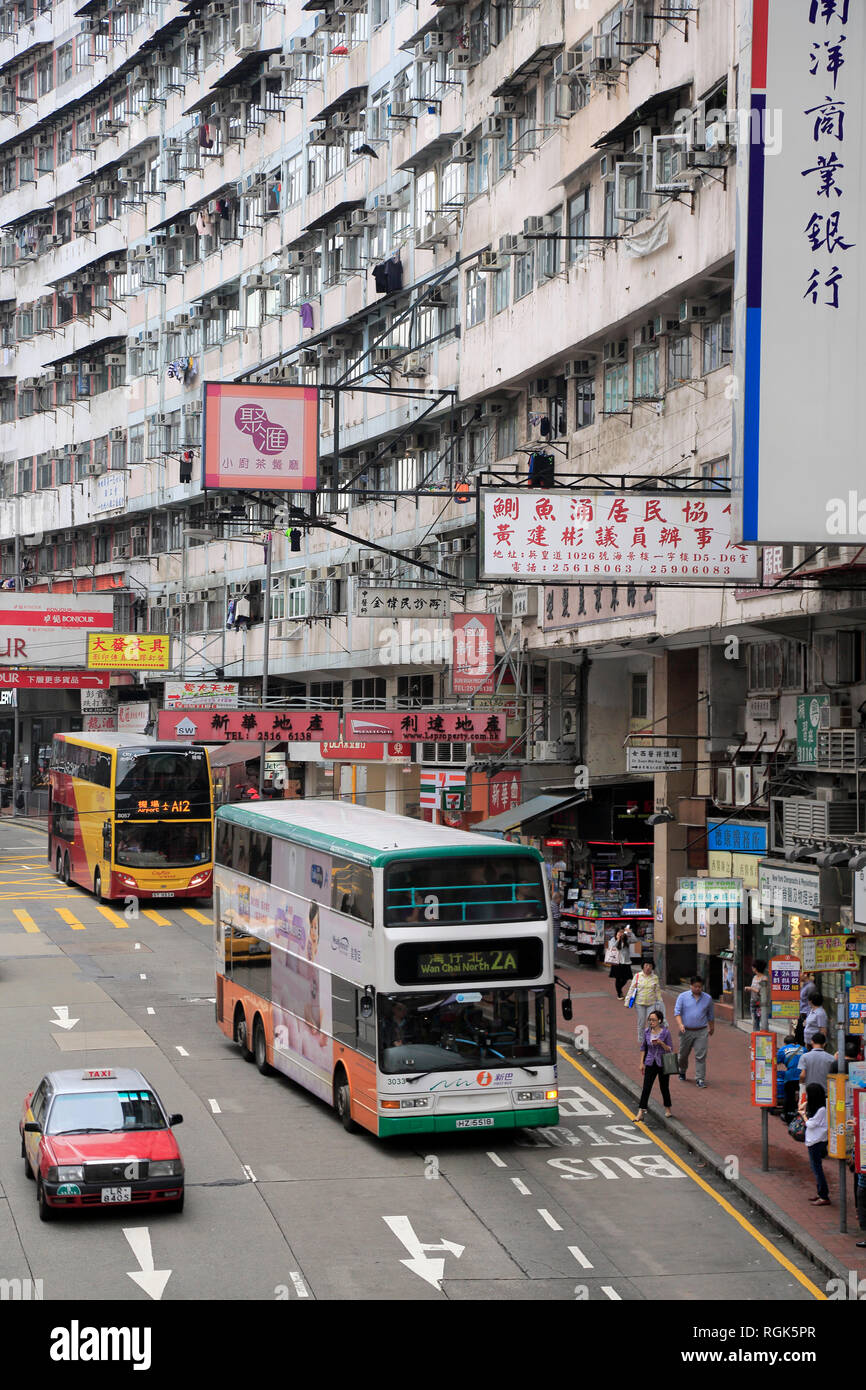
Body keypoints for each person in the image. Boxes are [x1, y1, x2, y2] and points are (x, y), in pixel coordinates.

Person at [633, 1008, 674, 1123]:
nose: (651, 1022)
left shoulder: (665, 1033)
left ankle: (668, 1108)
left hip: (662, 1063)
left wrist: (661, 1043)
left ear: (659, 1021)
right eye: (649, 1020)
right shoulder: (646, 1032)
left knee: (664, 1086)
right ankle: (641, 1111)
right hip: (650, 1062)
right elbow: (643, 1048)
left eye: (653, 1020)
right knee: (646, 1087)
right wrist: (641, 1063)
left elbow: (670, 1049)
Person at [674, 976, 715, 1087]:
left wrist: (712, 1028)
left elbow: (710, 1015)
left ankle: (700, 1079)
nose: (698, 989)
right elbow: (677, 1013)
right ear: (690, 986)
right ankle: (682, 1071)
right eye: (695, 986)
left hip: (701, 1031)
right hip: (686, 1031)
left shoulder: (708, 998)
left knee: (700, 1056)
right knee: (683, 1055)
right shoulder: (682, 997)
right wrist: (680, 1024)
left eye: (700, 987)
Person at [799, 1082, 830, 1206]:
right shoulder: (816, 1107)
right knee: (815, 1167)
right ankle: (820, 1192)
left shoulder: (822, 1110)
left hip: (817, 1141)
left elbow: (811, 1124)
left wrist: (803, 1116)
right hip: (813, 1141)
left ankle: (824, 1196)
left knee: (817, 1168)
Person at [630, 957, 663, 1045]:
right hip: (639, 1003)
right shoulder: (637, 976)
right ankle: (641, 1040)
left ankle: (649, 1038)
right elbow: (632, 989)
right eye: (646, 965)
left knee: (651, 1022)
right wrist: (627, 1002)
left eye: (650, 966)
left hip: (651, 1003)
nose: (648, 967)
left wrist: (660, 1002)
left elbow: (657, 991)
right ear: (643, 966)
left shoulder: (655, 978)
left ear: (652, 967)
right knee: (641, 1022)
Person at [775, 1034, 805, 1121]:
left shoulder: (783, 1049)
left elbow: (775, 1061)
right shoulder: (803, 1049)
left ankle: (787, 1114)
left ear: (785, 1043)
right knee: (802, 1095)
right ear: (796, 1042)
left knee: (789, 1095)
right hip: (803, 1076)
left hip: (791, 1076)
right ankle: (801, 1113)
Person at [798, 1032, 835, 1101]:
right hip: (826, 1093)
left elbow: (802, 1075)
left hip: (810, 1092)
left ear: (812, 1042)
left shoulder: (805, 1057)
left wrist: (802, 1087)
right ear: (824, 1044)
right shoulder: (831, 1058)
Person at [607, 926, 634, 999]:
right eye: (620, 932)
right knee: (618, 978)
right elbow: (612, 947)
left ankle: (619, 989)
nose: (621, 933)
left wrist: (630, 932)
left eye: (623, 932)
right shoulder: (613, 939)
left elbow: (635, 940)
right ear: (617, 932)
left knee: (626, 978)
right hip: (617, 962)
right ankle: (619, 993)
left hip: (626, 962)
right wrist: (618, 939)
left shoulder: (627, 940)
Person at [747, 959, 769, 1030]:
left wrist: (751, 988)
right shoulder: (754, 977)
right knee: (754, 1021)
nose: (752, 968)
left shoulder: (764, 978)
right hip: (753, 1002)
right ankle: (756, 1037)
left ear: (756, 968)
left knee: (763, 1021)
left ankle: (761, 1037)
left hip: (761, 1003)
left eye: (753, 966)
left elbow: (762, 993)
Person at [795, 974, 817, 1045]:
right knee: (798, 1037)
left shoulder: (810, 987)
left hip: (805, 1016)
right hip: (802, 1015)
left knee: (802, 1039)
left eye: (799, 973)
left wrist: (808, 1018)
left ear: (805, 974)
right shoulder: (804, 985)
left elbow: (811, 1004)